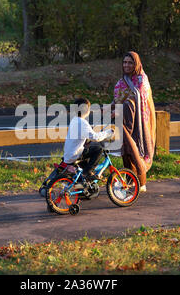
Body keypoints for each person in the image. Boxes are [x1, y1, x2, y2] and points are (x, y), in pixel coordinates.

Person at [109, 51, 156, 192]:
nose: (127, 65)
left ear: (136, 64)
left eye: (130, 62)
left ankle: (141, 183)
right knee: (127, 151)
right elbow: (118, 99)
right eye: (124, 62)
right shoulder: (122, 80)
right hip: (124, 121)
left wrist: (120, 109)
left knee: (137, 151)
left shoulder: (142, 79)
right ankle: (131, 181)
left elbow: (136, 99)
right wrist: (109, 107)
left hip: (140, 123)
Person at [63, 98, 113, 182]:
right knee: (98, 149)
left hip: (69, 154)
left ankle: (84, 183)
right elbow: (96, 138)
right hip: (75, 154)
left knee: (88, 153)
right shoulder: (82, 123)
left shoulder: (74, 120)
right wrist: (108, 132)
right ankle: (88, 172)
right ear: (87, 110)